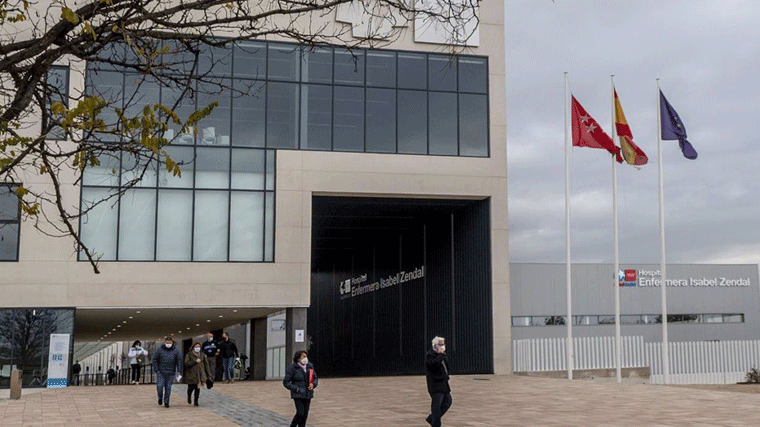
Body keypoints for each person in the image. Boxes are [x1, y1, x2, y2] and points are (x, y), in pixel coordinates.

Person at [283, 350, 318, 427]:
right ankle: (293, 425)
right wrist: (296, 388)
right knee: (300, 413)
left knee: (305, 414)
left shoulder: (310, 366)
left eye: (306, 356)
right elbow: (286, 382)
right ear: (298, 358)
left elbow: (315, 378)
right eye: (303, 356)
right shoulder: (292, 368)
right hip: (298, 393)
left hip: (307, 393)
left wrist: (313, 384)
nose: (305, 358)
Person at [425, 336, 452, 427]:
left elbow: (446, 366)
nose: (442, 346)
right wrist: (440, 355)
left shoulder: (443, 355)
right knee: (436, 406)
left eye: (443, 344)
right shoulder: (430, 355)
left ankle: (432, 418)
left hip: (444, 383)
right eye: (440, 345)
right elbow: (434, 365)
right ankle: (436, 424)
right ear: (434, 346)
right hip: (435, 385)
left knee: (448, 401)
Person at [152, 336, 183, 408]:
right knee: (159, 387)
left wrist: (179, 371)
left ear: (172, 343)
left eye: (170, 343)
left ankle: (166, 402)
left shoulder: (176, 351)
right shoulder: (159, 350)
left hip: (171, 373)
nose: (168, 344)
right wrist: (156, 370)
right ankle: (160, 398)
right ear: (164, 342)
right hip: (161, 372)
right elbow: (154, 360)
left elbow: (179, 361)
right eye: (167, 342)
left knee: (168, 388)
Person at [184, 342, 212, 406]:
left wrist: (208, 375)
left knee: (197, 388)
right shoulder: (189, 354)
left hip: (200, 375)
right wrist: (195, 361)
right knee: (191, 388)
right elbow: (186, 363)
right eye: (196, 347)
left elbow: (206, 365)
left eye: (199, 347)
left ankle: (196, 401)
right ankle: (189, 397)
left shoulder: (203, 355)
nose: (197, 348)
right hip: (191, 374)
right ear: (193, 347)